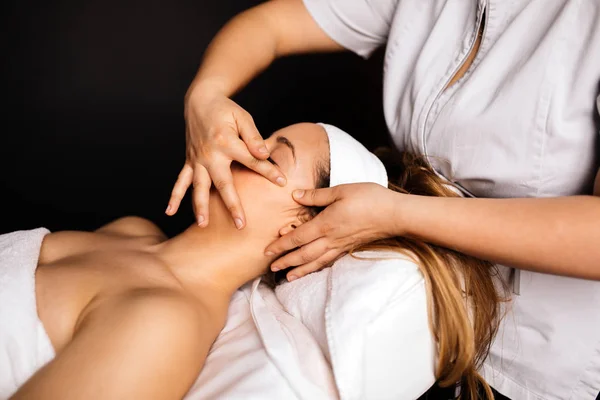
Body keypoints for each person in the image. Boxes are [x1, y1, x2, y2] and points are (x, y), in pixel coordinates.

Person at [169, 1, 600, 399]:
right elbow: (271, 25)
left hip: (529, 363)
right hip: (415, 303)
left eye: (274, 155)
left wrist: (400, 214)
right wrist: (206, 95)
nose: (249, 157)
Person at [2, 122, 504, 399]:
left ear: (300, 227)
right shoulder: (133, 232)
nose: (243, 146)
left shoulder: (165, 324)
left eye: (272, 155)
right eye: (260, 136)